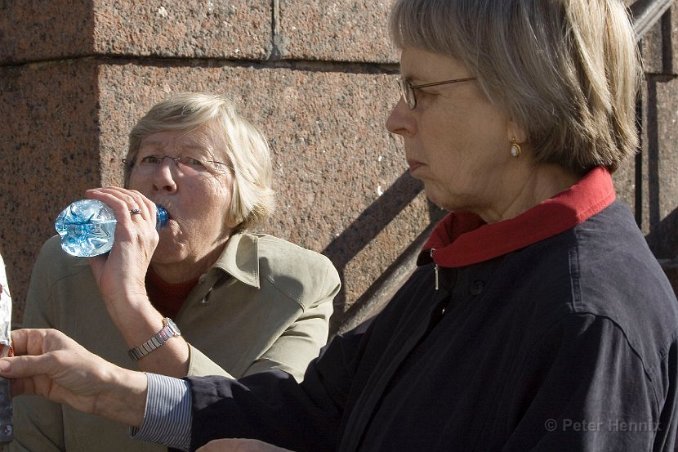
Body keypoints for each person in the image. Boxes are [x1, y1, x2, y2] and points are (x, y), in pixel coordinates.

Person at [3, 0, 678, 451]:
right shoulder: (467, 260)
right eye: (149, 157)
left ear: (521, 104)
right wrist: (110, 387)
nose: (396, 117)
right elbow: (309, 412)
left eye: (422, 91)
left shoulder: (588, 318)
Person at [10, 93, 341, 452]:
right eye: (150, 159)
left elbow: (265, 435)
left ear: (240, 194)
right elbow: (32, 436)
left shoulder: (300, 285)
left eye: (194, 161)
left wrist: (131, 304)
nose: (163, 178)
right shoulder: (66, 262)